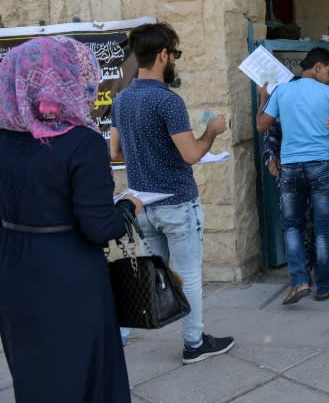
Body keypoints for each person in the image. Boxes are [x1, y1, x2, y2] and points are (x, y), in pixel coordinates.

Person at [0, 36, 143, 402]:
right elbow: (99, 227)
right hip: (68, 272)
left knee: (34, 370)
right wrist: (127, 208)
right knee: (82, 369)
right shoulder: (81, 141)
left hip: (13, 267)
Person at [109, 22, 235, 364]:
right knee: (189, 273)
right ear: (163, 54)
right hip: (177, 202)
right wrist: (211, 131)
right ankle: (194, 343)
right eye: (174, 53)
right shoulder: (168, 101)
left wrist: (146, 152)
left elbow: (113, 152)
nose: (175, 59)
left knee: (147, 271)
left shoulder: (121, 99)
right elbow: (192, 154)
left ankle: (118, 334)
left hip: (141, 203)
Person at [256, 47, 329, 305]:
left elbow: (261, 125)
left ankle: (299, 282)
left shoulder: (281, 91)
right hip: (321, 166)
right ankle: (324, 286)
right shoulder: (328, 93)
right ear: (317, 67)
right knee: (323, 229)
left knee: (292, 225)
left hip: (291, 167)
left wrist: (262, 98)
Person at [262, 118, 329, 273]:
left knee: (325, 217)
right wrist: (272, 157)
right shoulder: (280, 97)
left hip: (319, 164)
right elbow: (267, 127)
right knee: (297, 223)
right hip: (293, 167)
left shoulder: (323, 94)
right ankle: (308, 271)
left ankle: (319, 264)